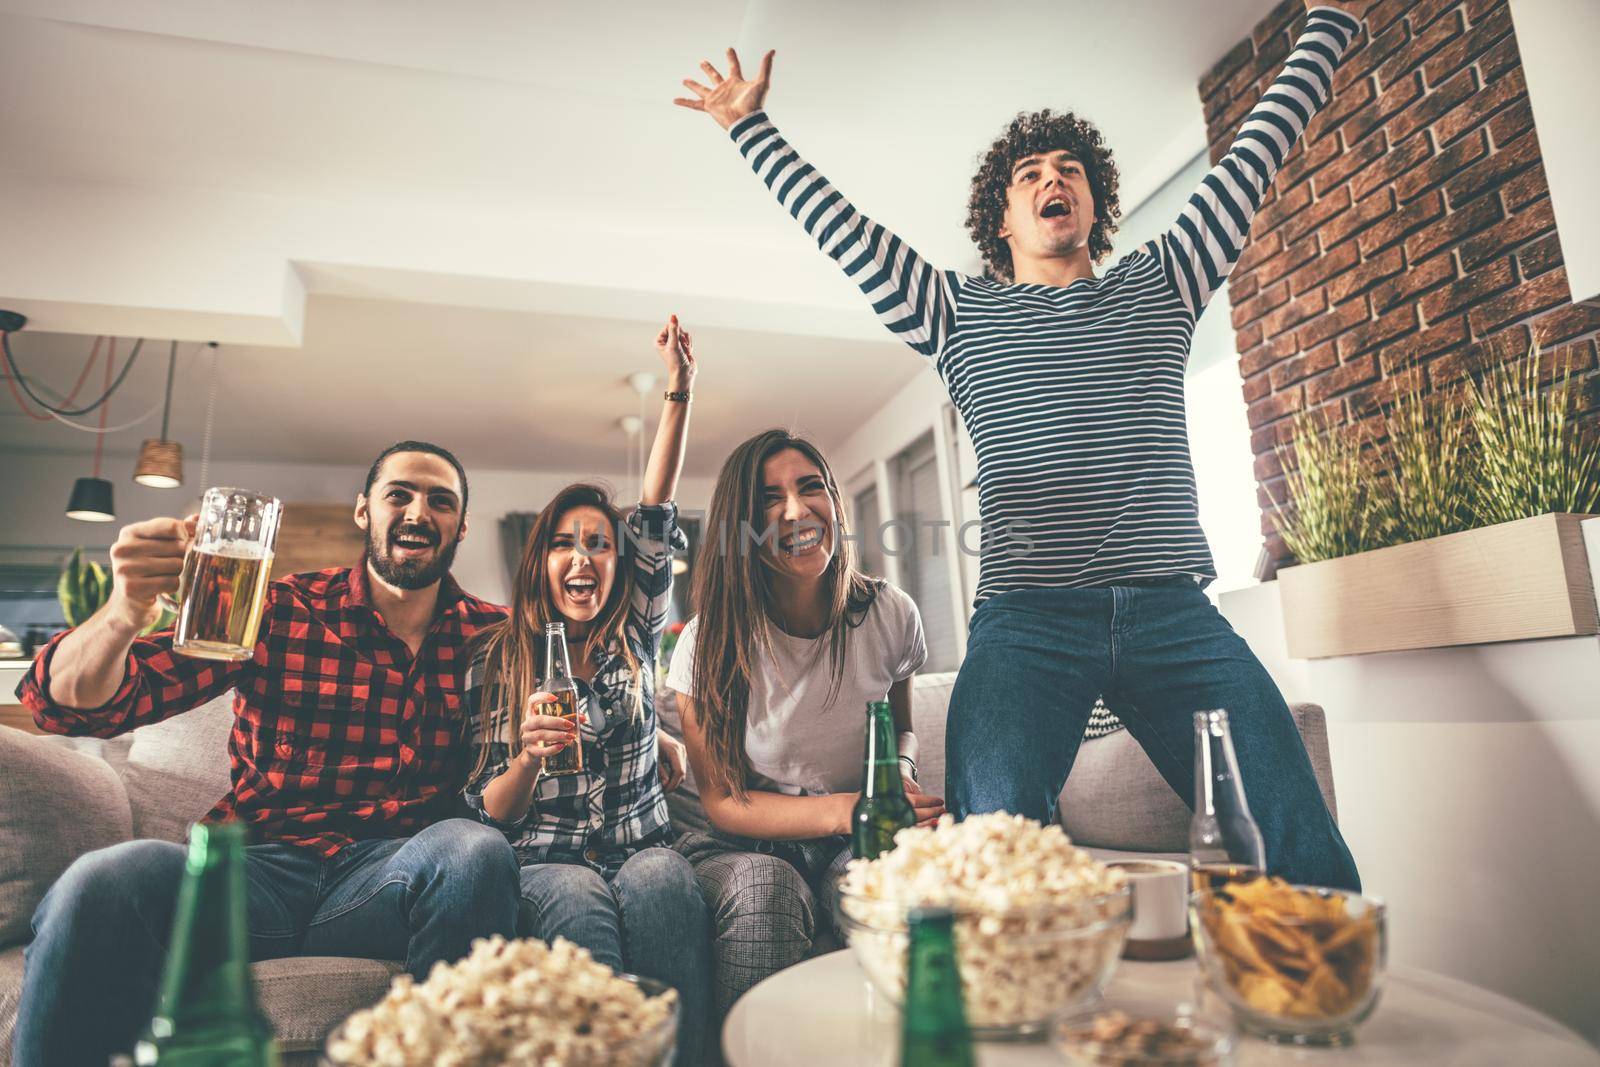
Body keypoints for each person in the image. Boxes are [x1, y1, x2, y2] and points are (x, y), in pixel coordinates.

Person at [674, 3, 1367, 890]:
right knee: (991, 843)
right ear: (1003, 219)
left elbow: (1255, 154)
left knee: (1291, 822)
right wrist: (750, 127)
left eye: (1070, 169)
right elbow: (843, 233)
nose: (1054, 179)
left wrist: (1331, 24)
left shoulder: (1165, 280)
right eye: (1032, 173)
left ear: (1092, 205)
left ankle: (1324, 1001)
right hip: (1029, 621)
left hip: (1171, 614)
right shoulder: (961, 314)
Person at [12, 441, 520, 1066]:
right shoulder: (278, 608)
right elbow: (69, 706)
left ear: (460, 526)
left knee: (473, 849)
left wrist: (643, 726)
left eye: (440, 501)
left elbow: (573, 693)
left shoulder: (495, 636)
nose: (418, 512)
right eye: (399, 495)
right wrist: (124, 610)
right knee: (105, 877)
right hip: (251, 877)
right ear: (364, 512)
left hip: (392, 882)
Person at [463, 316, 711, 1064]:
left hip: (643, 844)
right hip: (548, 858)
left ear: (617, 564)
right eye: (566, 543)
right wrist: (530, 758)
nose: (584, 558)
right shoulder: (496, 658)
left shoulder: (637, 631)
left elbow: (657, 505)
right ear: (541, 560)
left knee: (667, 881)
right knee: (576, 902)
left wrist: (678, 391)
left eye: (598, 543)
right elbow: (487, 806)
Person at [666, 429, 941, 1019]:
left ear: (834, 503)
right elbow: (721, 800)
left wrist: (899, 776)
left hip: (854, 837)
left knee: (886, 884)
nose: (795, 510)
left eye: (810, 486)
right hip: (743, 842)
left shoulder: (890, 612)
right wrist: (851, 806)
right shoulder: (708, 640)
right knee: (767, 891)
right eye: (769, 498)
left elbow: (901, 729)